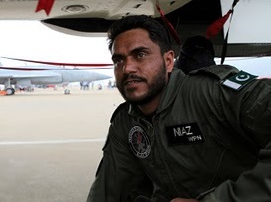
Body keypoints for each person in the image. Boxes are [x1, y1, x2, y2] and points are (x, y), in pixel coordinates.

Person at [86, 15, 271, 202]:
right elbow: (107, 190)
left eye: (140, 55)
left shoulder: (214, 93)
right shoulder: (125, 122)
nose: (127, 69)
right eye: (118, 61)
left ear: (168, 61)